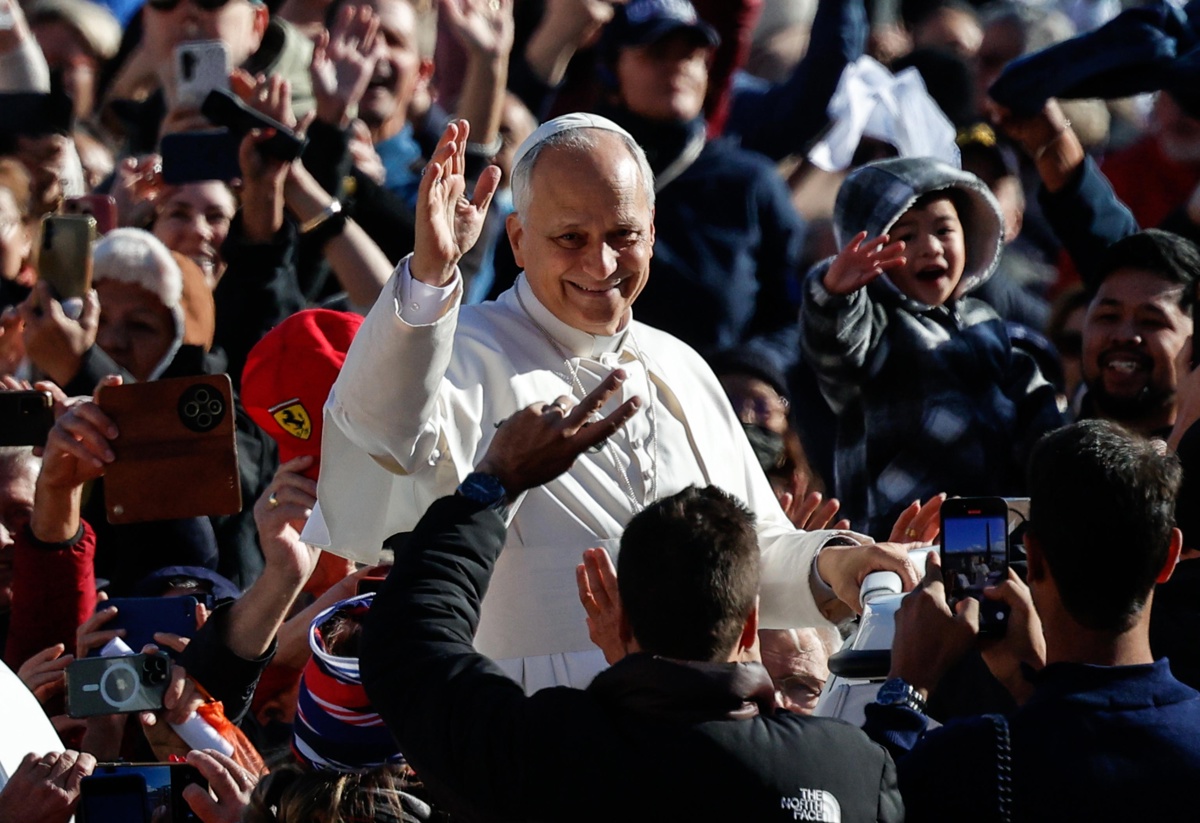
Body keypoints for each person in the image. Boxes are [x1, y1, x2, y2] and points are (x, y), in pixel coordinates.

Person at [310, 112, 918, 692]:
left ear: (652, 232)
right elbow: (381, 433)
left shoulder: (682, 366)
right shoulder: (461, 349)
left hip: (693, 722)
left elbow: (749, 557)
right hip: (532, 724)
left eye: (623, 235)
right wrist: (430, 278)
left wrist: (837, 563)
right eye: (570, 238)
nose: (600, 263)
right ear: (518, 240)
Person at [359, 378, 903, 822]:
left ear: (615, 623)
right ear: (749, 625)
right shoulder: (849, 770)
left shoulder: (546, 757)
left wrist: (493, 484)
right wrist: (911, 684)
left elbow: (407, 647)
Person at [862, 419, 1200, 820]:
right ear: (1169, 557)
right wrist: (1033, 687)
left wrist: (906, 689)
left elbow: (867, 806)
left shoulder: (972, 763)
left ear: (1034, 557)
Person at [799, 157, 1064, 537]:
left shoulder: (985, 322)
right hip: (898, 529)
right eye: (905, 236)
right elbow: (833, 344)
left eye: (944, 230)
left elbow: (1035, 410)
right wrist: (834, 293)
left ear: (971, 236)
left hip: (991, 523)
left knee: (980, 592)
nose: (929, 248)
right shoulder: (876, 326)